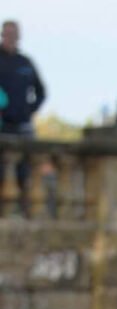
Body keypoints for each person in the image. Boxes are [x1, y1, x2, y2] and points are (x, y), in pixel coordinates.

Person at [0, 19, 46, 217]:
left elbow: (41, 91)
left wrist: (29, 110)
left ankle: (26, 212)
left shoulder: (25, 62)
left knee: (24, 171)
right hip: (2, 125)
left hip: (22, 125)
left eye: (14, 33)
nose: (10, 37)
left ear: (18, 36)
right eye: (7, 33)